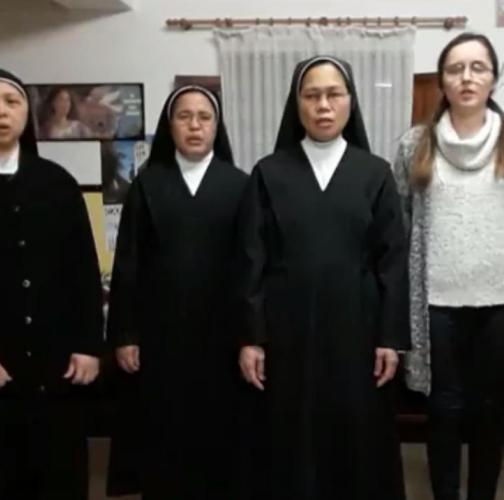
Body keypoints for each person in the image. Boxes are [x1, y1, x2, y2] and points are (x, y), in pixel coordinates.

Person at [239, 55, 409, 500]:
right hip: (287, 332)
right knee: (291, 438)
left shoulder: (375, 173)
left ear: (351, 101)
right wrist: (252, 338)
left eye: (334, 94)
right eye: (312, 95)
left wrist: (390, 338)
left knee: (357, 438)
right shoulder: (268, 173)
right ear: (296, 104)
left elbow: (393, 261)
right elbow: (252, 260)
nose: (323, 105)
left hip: (358, 330)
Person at [393, 32, 504, 500]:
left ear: (494, 78)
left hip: (503, 300)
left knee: (490, 410)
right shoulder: (414, 144)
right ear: (442, 80)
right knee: (443, 408)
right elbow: (400, 225)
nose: (467, 77)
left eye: (478, 67)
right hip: (436, 301)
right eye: (456, 68)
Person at [106, 85, 249, 499]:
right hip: (160, 337)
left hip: (222, 338)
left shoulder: (240, 185)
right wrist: (126, 334)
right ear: (170, 126)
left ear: (217, 126)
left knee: (221, 438)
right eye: (184, 116)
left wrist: (251, 334)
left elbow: (251, 265)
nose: (195, 126)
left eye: (204, 117)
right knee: (164, 435)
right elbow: (128, 265)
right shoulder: (147, 185)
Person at [0, 68, 103, 499]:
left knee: (59, 473)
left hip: (57, 364)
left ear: (28, 114)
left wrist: (88, 345)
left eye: (12, 102)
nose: (2, 112)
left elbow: (83, 271)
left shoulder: (57, 183)